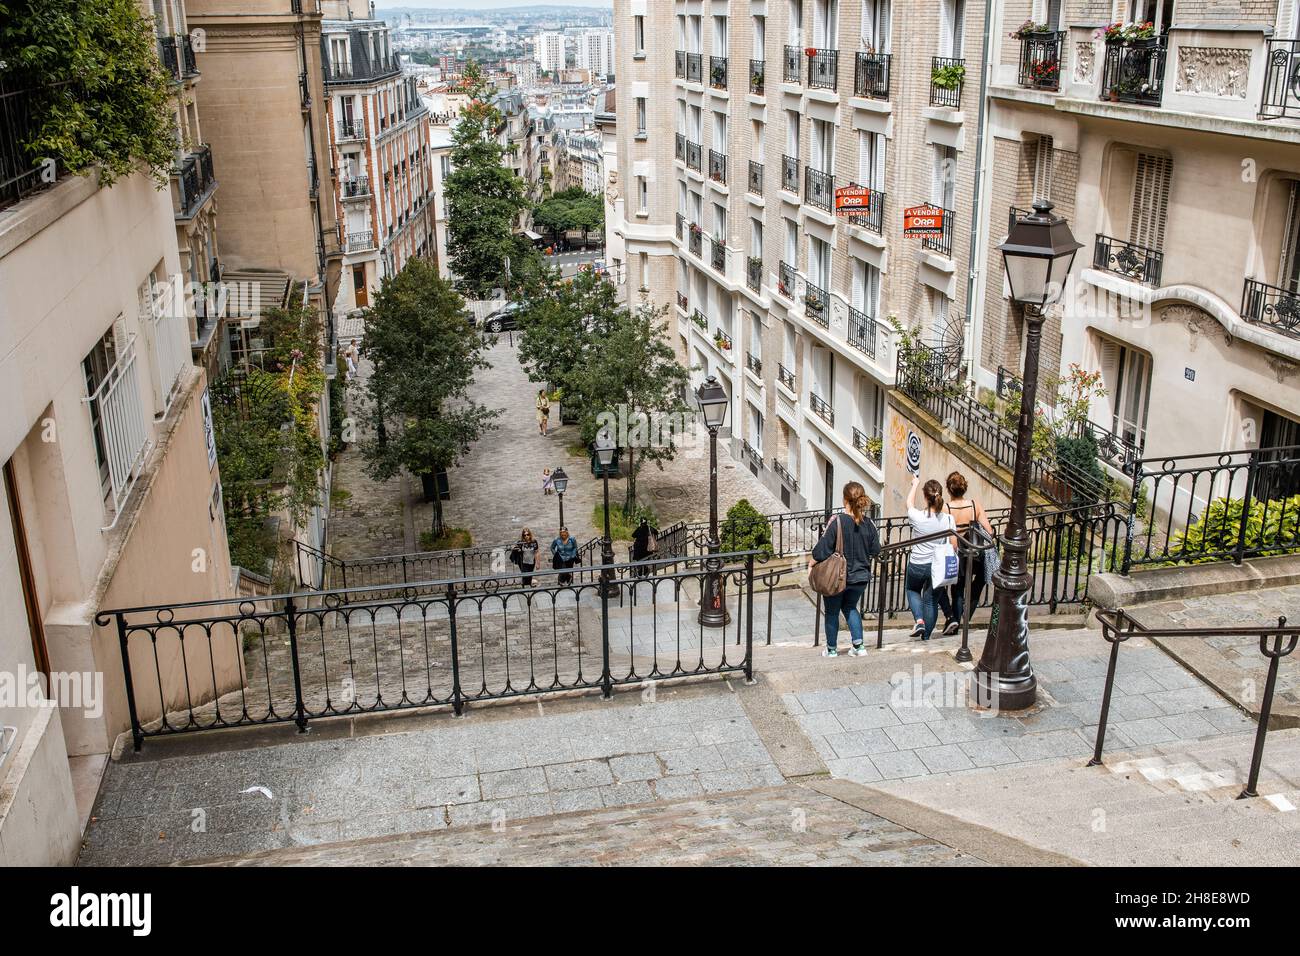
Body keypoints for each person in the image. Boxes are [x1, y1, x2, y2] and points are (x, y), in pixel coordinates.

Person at [810, 482, 881, 657]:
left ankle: (832, 649)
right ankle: (859, 647)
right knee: (850, 607)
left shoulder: (838, 521)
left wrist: (811, 563)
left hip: (838, 577)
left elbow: (822, 549)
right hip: (861, 577)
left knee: (832, 611)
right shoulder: (870, 523)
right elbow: (876, 550)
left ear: (845, 499)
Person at [942, 471, 996, 635]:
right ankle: (968, 615)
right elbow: (989, 531)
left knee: (957, 590)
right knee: (978, 582)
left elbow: (949, 535)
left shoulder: (946, 508)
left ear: (949, 489)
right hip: (976, 552)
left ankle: (956, 623)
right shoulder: (975, 505)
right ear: (964, 487)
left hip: (958, 552)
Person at [905, 476, 958, 640]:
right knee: (931, 601)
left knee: (912, 590)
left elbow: (909, 504)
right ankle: (926, 637)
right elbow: (954, 545)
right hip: (936, 566)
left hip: (917, 563)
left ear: (926, 498)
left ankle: (919, 621)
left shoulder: (918, 517)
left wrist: (915, 484)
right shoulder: (948, 519)